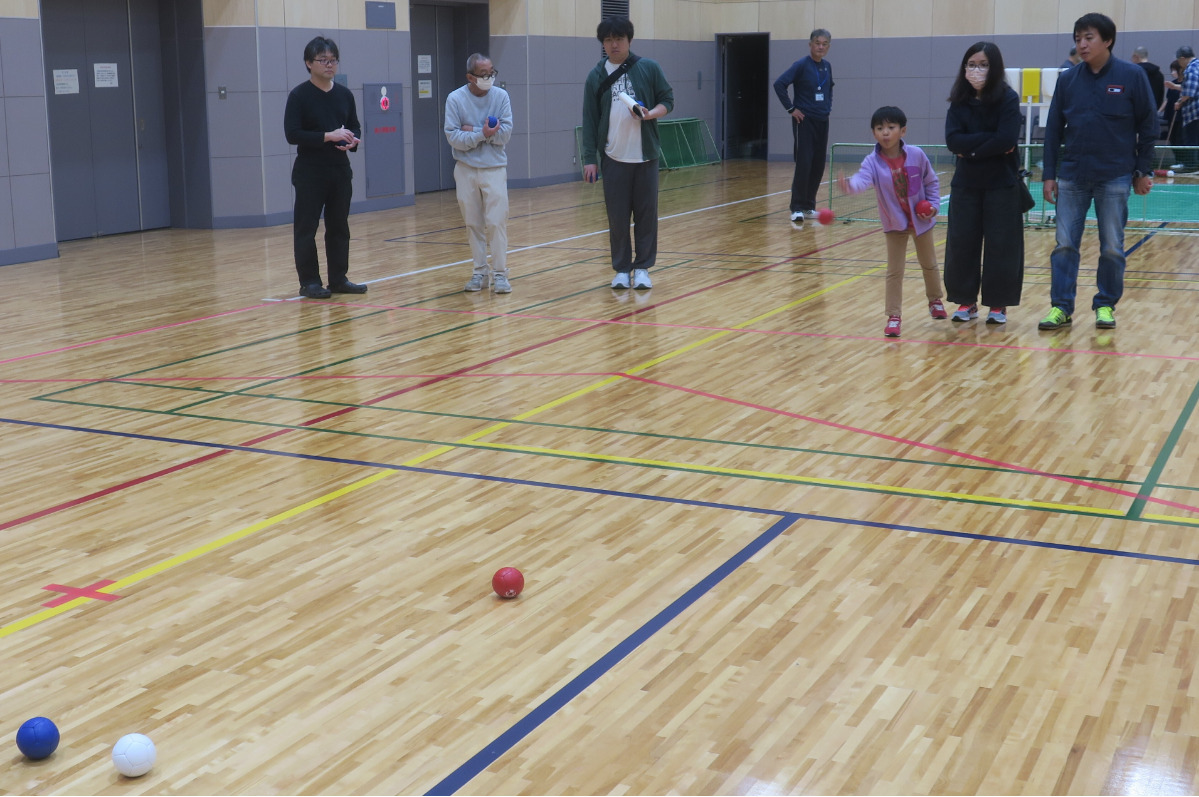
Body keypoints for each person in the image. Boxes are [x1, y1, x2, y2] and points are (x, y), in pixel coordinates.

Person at [1038, 13, 1156, 331]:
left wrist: (1143, 170)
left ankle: (1105, 305)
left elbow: (1148, 125)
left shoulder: (1132, 75)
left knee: (1112, 247)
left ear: (1108, 40)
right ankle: (1061, 307)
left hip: (1115, 176)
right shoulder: (1067, 80)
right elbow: (1053, 131)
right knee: (1064, 244)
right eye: (1078, 38)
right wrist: (1049, 174)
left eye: (1089, 37)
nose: (1082, 44)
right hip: (1072, 175)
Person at [580, 16, 674, 290]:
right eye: (608, 40)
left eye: (619, 39)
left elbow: (667, 100)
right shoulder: (595, 76)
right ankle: (621, 269)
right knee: (617, 218)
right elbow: (590, 119)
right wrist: (590, 159)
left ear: (629, 40)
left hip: (646, 157)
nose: (613, 45)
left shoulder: (649, 68)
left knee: (646, 216)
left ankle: (643, 268)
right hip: (613, 158)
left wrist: (649, 115)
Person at [838, 106, 943, 338]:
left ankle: (935, 301)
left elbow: (931, 182)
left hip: (922, 221)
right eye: (879, 128)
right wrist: (850, 186)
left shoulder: (917, 155)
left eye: (891, 127)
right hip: (894, 224)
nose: (885, 132)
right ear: (873, 133)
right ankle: (894, 316)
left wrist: (933, 207)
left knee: (929, 264)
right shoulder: (872, 162)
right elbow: (862, 180)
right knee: (894, 271)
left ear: (902, 131)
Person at [944, 42, 1025, 325]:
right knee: (962, 243)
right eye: (971, 64)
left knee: (1002, 246)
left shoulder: (1008, 99)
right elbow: (953, 140)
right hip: (966, 184)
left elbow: (1007, 138)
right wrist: (988, 142)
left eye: (983, 65)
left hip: (1002, 183)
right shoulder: (959, 100)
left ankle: (998, 304)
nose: (976, 70)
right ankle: (966, 301)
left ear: (995, 68)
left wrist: (971, 150)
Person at [283, 36, 365, 299]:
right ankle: (309, 282)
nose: (330, 65)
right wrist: (328, 136)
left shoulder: (344, 94)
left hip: (339, 169)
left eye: (333, 60)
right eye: (323, 60)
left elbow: (354, 126)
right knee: (306, 228)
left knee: (339, 226)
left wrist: (352, 140)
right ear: (309, 63)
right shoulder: (299, 95)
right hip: (310, 171)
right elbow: (292, 134)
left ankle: (339, 279)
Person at [444, 53, 514, 293]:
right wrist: (483, 133)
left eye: (492, 73)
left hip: (494, 168)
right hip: (465, 169)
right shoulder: (455, 99)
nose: (489, 78)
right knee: (473, 223)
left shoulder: (501, 97)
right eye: (484, 74)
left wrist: (471, 130)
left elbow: (505, 134)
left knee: (496, 222)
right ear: (470, 77)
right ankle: (479, 272)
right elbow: (454, 137)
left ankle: (501, 274)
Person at [773, 29, 834, 226]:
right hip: (804, 121)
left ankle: (808, 206)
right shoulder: (801, 65)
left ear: (828, 46)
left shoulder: (827, 66)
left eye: (824, 44)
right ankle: (797, 207)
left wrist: (827, 108)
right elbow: (779, 84)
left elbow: (829, 89)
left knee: (817, 164)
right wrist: (791, 109)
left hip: (822, 120)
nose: (821, 47)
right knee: (804, 163)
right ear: (810, 44)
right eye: (817, 43)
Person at [1176, 46, 1199, 172]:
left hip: (1194, 113)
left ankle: (1192, 167)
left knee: (1191, 140)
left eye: (1179, 61)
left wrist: (1179, 102)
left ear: (1182, 58)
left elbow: (1189, 92)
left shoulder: (1190, 69)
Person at [1131, 46, 1165, 111]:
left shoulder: (1134, 73)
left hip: (1134, 112)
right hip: (1152, 111)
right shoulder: (1159, 74)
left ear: (1136, 56)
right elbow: (1160, 97)